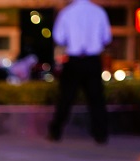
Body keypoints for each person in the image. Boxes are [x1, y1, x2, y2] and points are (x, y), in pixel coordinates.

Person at [48, 0, 112, 144]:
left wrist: (74, 39)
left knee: (66, 97)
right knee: (96, 99)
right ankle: (100, 134)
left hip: (74, 60)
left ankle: (55, 132)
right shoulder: (99, 12)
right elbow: (107, 38)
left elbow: (59, 37)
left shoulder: (67, 12)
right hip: (92, 60)